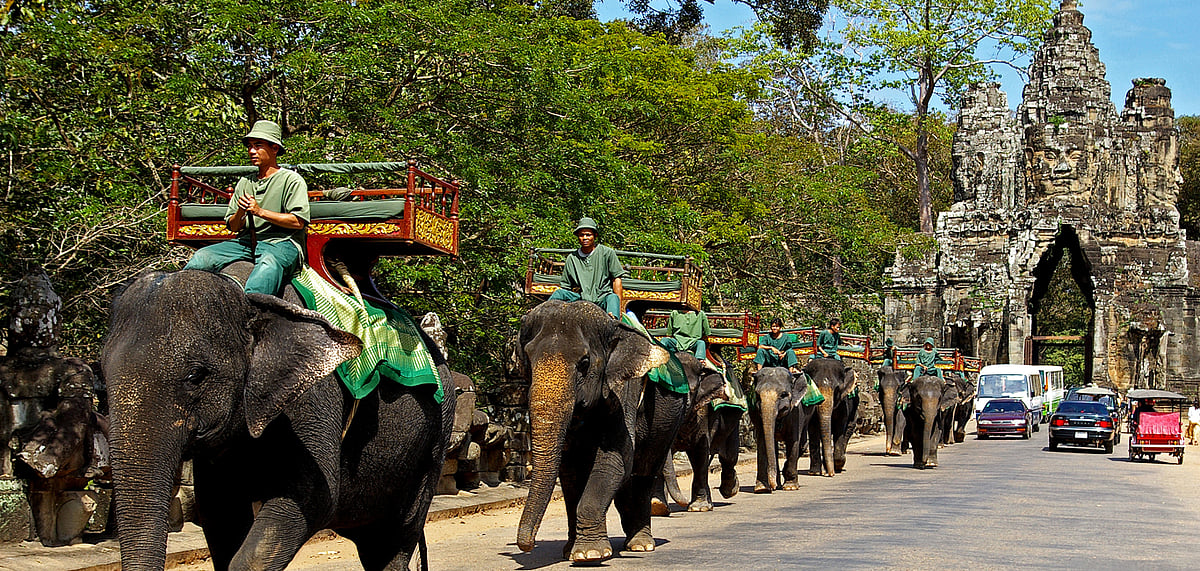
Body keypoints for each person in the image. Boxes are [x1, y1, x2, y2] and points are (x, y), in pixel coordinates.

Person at [184, 120, 309, 296]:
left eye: (258, 146)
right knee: (201, 257)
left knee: (267, 265)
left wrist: (260, 212)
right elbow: (234, 227)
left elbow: (298, 222)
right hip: (246, 243)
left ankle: (254, 313)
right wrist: (241, 211)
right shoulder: (245, 182)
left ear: (274, 149)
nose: (251, 151)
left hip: (281, 242)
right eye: (250, 146)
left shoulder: (291, 180)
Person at [548, 217, 626, 318]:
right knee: (559, 293)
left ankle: (614, 319)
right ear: (578, 237)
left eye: (588, 235)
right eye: (581, 235)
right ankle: (541, 315)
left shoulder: (607, 253)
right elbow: (565, 286)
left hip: (602, 297)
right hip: (581, 298)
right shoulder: (572, 258)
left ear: (595, 236)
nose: (585, 238)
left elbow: (616, 279)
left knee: (613, 297)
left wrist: (618, 308)